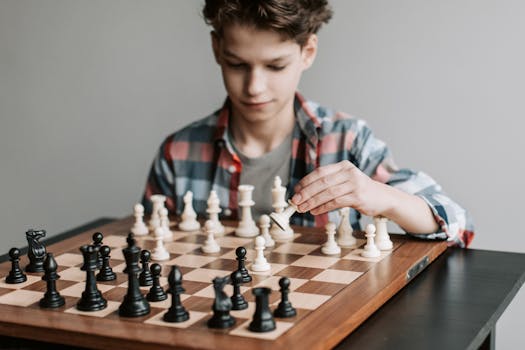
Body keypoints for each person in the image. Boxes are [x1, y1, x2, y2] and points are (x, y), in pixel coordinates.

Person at [142, 0, 474, 247]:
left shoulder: (348, 141)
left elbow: (458, 224)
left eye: (275, 66)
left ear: (308, 52)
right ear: (217, 50)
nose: (254, 86)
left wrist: (383, 196)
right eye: (237, 64)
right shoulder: (179, 152)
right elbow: (147, 245)